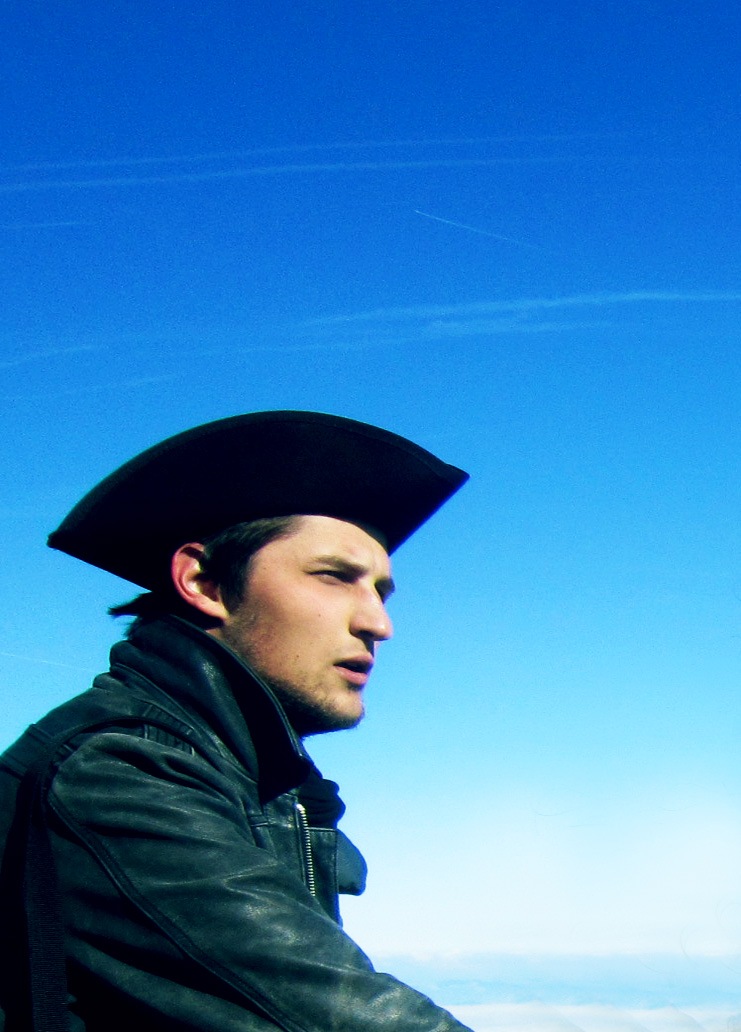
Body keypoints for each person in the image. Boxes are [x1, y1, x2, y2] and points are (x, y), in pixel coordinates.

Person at [0, 410, 472, 1031]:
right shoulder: (119, 773)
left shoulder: (257, 781)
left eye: (379, 592)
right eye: (335, 577)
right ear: (204, 582)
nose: (377, 623)